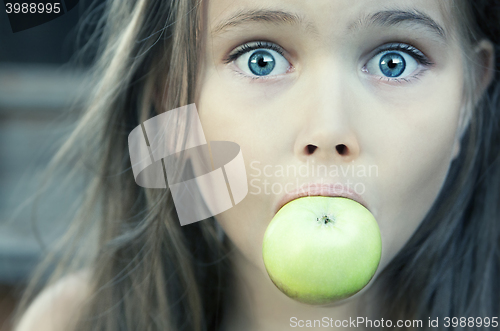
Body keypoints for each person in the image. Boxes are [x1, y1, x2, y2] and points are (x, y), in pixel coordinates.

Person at [12, 0, 500, 330]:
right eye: (259, 59)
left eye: (396, 61)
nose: (327, 131)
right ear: (173, 107)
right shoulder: (76, 321)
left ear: (466, 104)